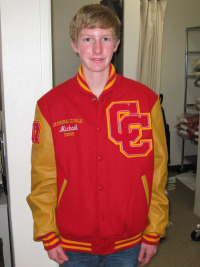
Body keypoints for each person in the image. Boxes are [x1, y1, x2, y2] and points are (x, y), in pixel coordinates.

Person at [27, 4, 169, 267]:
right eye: (87, 39)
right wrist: (48, 233)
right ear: (74, 44)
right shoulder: (50, 105)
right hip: (72, 243)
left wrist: (154, 229)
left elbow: (158, 170)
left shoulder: (145, 100)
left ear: (116, 44)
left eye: (105, 38)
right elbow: (43, 176)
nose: (97, 49)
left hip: (129, 239)